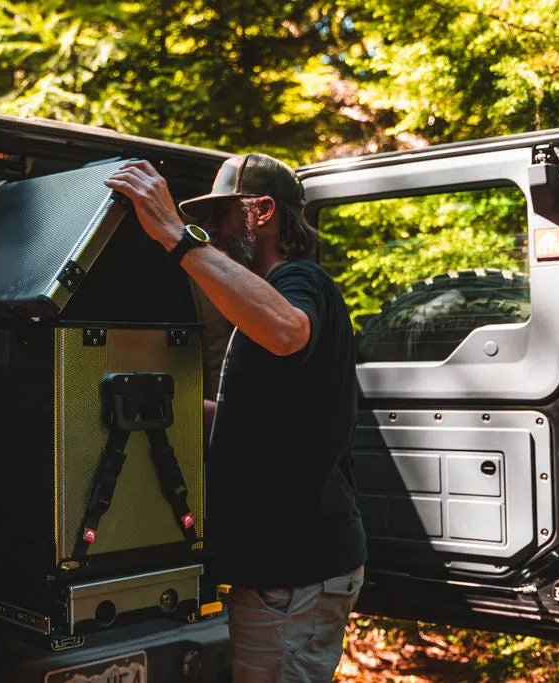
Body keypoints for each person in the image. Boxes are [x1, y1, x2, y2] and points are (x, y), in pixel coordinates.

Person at [106, 153, 367, 683]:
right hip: (283, 580)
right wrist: (165, 409)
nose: (214, 231)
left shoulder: (302, 282)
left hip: (295, 580)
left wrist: (180, 239)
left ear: (263, 211)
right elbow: (260, 421)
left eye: (224, 215)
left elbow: (287, 330)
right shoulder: (268, 299)